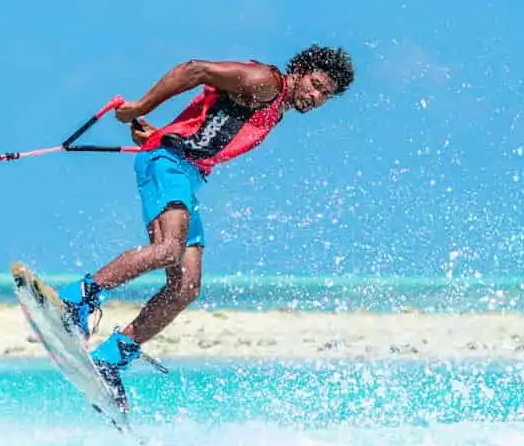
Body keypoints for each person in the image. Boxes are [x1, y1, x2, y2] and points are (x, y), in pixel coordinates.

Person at [56, 44, 355, 410]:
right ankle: (76, 298)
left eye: (326, 94)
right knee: (169, 249)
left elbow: (207, 125)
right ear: (301, 70)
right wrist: (139, 108)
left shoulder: (277, 106)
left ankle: (111, 358)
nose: (316, 97)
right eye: (315, 85)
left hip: (186, 170)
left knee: (186, 287)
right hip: (168, 163)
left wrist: (162, 132)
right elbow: (195, 69)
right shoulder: (264, 82)